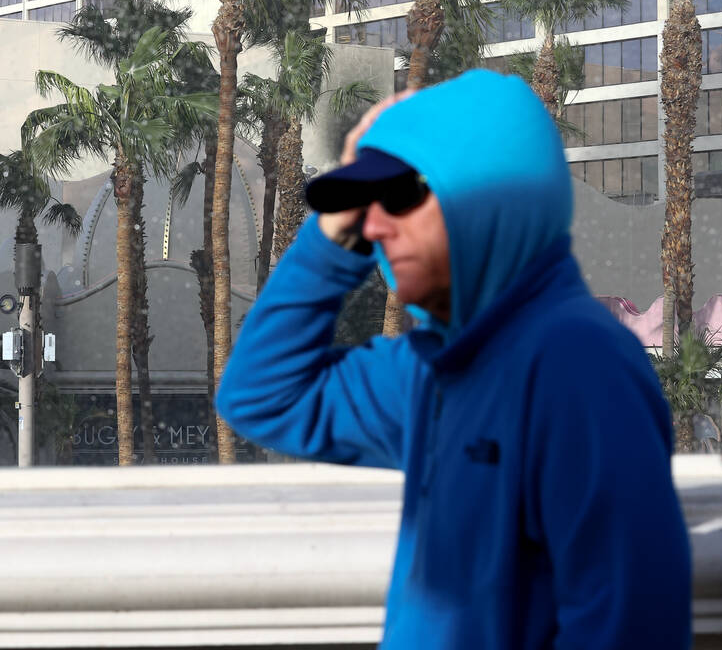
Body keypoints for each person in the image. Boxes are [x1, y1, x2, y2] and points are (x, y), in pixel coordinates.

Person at [216, 69, 692, 649]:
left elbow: (631, 632)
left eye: (399, 195)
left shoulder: (579, 366)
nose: (373, 225)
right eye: (364, 207)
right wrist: (332, 237)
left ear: (490, 194)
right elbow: (261, 395)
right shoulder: (428, 370)